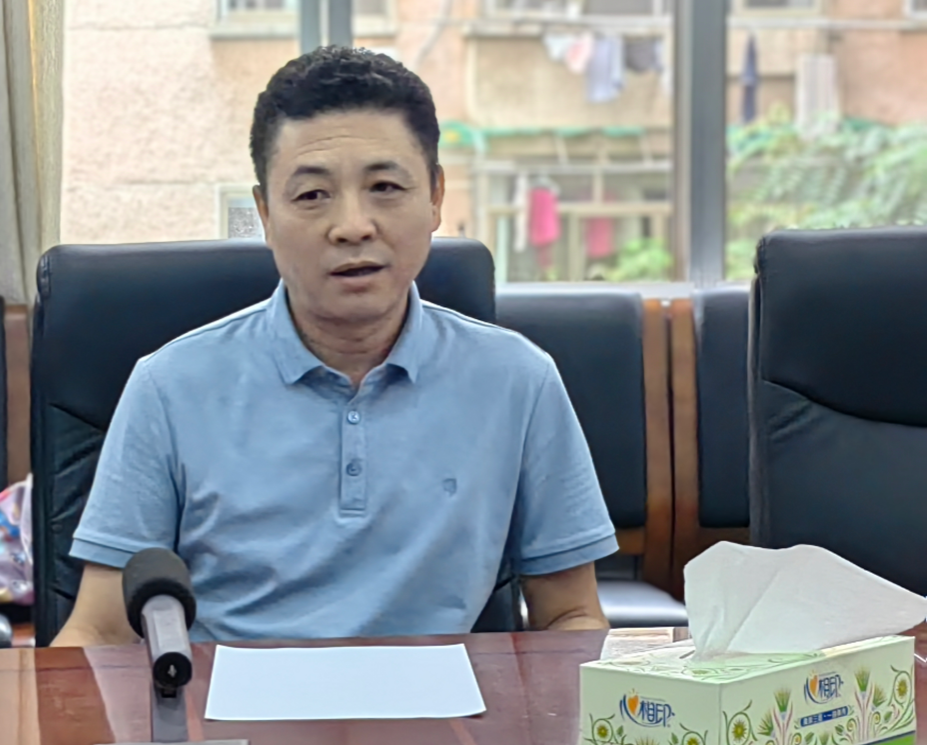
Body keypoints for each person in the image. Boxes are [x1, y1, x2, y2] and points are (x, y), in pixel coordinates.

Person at [53, 46, 613, 647]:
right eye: (312, 195)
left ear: (435, 198)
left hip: (441, 702)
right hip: (229, 700)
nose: (352, 226)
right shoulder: (168, 387)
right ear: (265, 215)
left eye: (385, 186)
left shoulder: (518, 380)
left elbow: (570, 617)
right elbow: (101, 633)